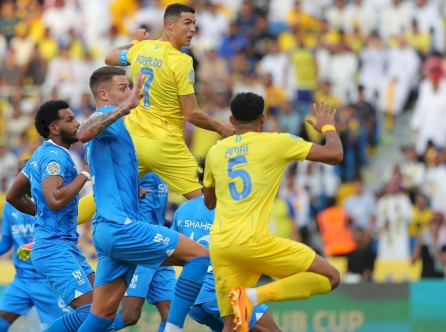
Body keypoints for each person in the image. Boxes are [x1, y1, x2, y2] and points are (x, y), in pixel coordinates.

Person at [75, 66, 210, 332]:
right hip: (120, 227)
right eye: (123, 88)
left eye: (129, 87)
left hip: (109, 229)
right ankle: (173, 328)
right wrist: (125, 107)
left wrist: (133, 188)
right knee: (199, 255)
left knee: (101, 317)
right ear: (103, 93)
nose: (129, 93)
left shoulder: (119, 129)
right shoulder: (106, 115)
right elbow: (83, 131)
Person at [202, 94, 342, 332]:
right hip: (253, 241)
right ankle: (254, 296)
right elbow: (334, 154)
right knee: (331, 277)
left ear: (231, 120)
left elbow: (209, 202)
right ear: (263, 119)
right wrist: (327, 127)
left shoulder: (215, 152)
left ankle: (248, 299)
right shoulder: (276, 142)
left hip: (221, 245)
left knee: (233, 325)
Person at [105, 3, 235, 200]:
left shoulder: (142, 48)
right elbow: (191, 113)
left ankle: (46, 226)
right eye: (187, 23)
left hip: (133, 141)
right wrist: (220, 128)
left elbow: (109, 58)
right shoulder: (182, 61)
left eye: (194, 24)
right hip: (165, 146)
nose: (193, 29)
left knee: (106, 195)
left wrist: (134, 42)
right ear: (170, 25)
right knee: (208, 201)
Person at [5, 100, 94, 332]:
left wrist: (41, 216)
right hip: (53, 249)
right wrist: (85, 172)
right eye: (69, 120)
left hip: (63, 246)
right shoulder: (55, 157)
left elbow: (13, 196)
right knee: (89, 313)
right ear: (54, 129)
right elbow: (54, 199)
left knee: (102, 312)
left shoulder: (39, 154)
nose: (77, 123)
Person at [0, 160, 72, 332]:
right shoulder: (10, 206)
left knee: (69, 324)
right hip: (22, 280)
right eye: (20, 175)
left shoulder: (50, 203)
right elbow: (6, 241)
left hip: (47, 280)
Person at [179, 158, 280, 332]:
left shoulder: (183, 209)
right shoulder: (230, 210)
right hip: (223, 292)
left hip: (193, 298)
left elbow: (175, 249)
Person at [113, 173, 175, 331]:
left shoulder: (163, 167)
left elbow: (155, 214)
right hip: (141, 246)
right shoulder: (135, 165)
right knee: (130, 315)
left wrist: (173, 224)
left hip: (161, 245)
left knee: (172, 316)